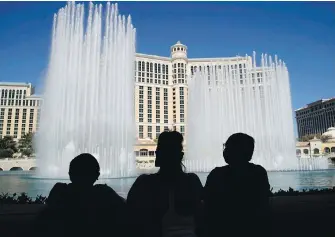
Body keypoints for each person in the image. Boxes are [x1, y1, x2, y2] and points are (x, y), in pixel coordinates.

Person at [127, 131, 204, 237]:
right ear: (181, 156)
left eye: (158, 150)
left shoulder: (145, 184)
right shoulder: (192, 182)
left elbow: (130, 217)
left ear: (158, 154)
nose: (155, 153)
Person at [34, 153, 128, 237]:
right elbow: (124, 208)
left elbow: (46, 215)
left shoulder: (60, 192)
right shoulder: (104, 193)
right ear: (97, 175)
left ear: (70, 174)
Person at [203, 133, 272, 237]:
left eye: (227, 148)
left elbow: (207, 203)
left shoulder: (217, 174)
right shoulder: (259, 173)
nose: (224, 151)